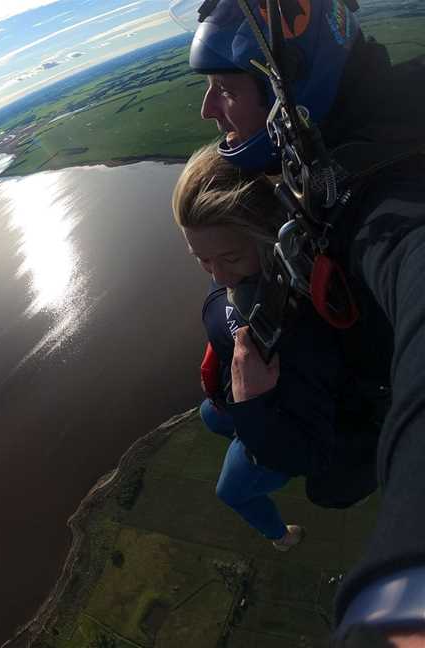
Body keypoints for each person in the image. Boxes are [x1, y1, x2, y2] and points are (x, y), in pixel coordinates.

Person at [183, 0, 425, 643]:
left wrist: (405, 590)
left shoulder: (388, 205)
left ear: (290, 88)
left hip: (326, 426)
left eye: (225, 87)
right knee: (214, 413)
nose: (207, 110)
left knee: (235, 465)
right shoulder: (334, 154)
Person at [172, 142, 365, 551]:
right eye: (202, 261)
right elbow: (224, 315)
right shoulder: (244, 280)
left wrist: (252, 406)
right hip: (243, 404)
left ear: (269, 241)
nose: (219, 276)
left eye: (230, 259)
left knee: (232, 491)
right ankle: (239, 430)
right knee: (210, 415)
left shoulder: (297, 328)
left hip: (272, 429)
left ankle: (280, 538)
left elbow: (307, 453)